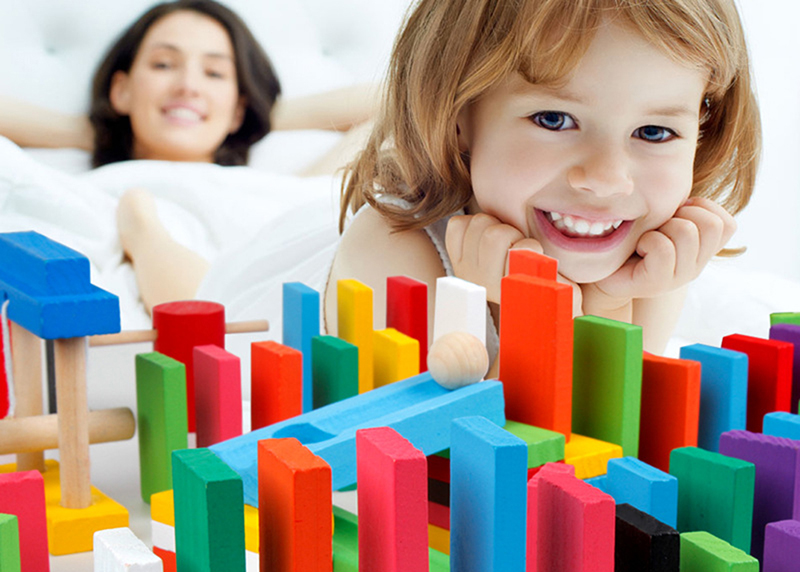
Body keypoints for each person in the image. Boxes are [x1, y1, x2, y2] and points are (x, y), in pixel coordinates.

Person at [326, 0, 761, 360]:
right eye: (554, 119)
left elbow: (607, 425)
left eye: (653, 132)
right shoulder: (389, 250)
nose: (607, 180)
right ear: (457, 117)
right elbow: (466, 436)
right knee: (343, 153)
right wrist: (527, 314)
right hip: (310, 221)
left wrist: (609, 300)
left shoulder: (654, 256)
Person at [0, 0, 375, 312]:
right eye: (163, 65)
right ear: (121, 89)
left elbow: (390, 105)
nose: (188, 85)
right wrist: (91, 131)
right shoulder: (82, 190)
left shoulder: (277, 189)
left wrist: (250, 117)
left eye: (214, 74)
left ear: (239, 106)